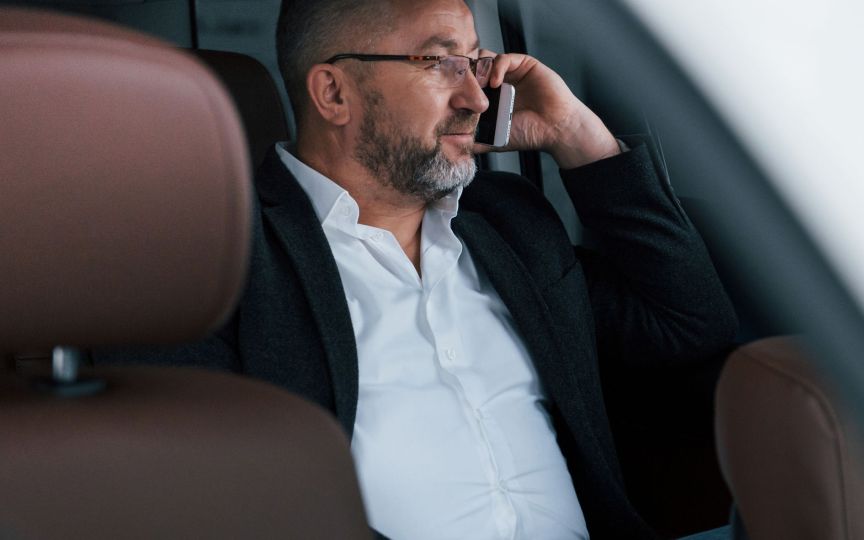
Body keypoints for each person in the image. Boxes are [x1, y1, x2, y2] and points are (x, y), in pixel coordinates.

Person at [96, 0, 736, 537]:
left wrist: (578, 136)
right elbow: (212, 508)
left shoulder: (510, 224)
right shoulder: (211, 262)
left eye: (476, 62)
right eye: (439, 62)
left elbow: (690, 325)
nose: (478, 98)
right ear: (334, 92)